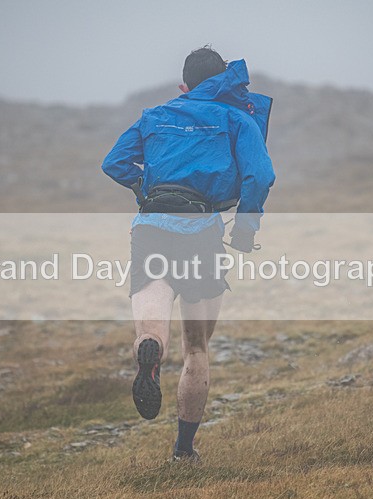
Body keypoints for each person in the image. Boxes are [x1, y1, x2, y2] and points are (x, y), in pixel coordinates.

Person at [102, 46, 275, 462]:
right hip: (201, 231)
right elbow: (261, 175)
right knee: (196, 346)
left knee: (151, 326)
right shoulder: (236, 117)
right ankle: (183, 451)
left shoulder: (154, 115)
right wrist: (246, 228)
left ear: (184, 86)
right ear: (223, 85)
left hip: (151, 228)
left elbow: (114, 163)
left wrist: (146, 190)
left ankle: (149, 352)